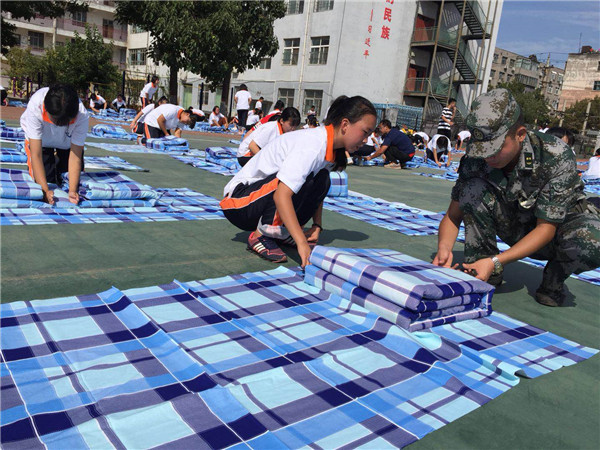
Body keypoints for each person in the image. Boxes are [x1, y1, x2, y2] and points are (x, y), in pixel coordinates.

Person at [432, 88, 600, 307]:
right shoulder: (477, 158)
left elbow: (546, 228)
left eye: (496, 148)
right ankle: (482, 267)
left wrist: (496, 261)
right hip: (513, 224)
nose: (488, 156)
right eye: (482, 149)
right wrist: (444, 249)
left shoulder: (554, 155)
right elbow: (453, 215)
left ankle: (553, 280)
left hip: (553, 233)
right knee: (472, 189)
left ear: (520, 134)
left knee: (593, 239)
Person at [220, 95, 377, 266]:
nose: (366, 140)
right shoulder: (313, 145)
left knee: (322, 179)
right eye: (365, 132)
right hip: (239, 202)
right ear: (345, 125)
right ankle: (261, 235)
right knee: (294, 181)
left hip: (259, 199)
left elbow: (318, 191)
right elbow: (281, 195)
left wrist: (317, 225)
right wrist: (302, 243)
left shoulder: (330, 148)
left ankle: (281, 232)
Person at [20, 84, 89, 205]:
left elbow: (75, 156)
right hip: (42, 142)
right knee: (46, 181)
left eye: (66, 122)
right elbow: (36, 155)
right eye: (55, 120)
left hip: (67, 143)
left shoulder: (82, 115)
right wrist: (45, 190)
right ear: (46, 109)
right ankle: (53, 162)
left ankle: (58, 160)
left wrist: (72, 191)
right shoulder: (36, 105)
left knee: (69, 180)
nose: (58, 125)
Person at [236, 107, 301, 167]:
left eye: (295, 126)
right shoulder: (271, 128)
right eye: (291, 125)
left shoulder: (283, 131)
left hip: (254, 153)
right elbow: (252, 146)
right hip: (245, 155)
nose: (293, 128)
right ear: (282, 121)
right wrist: (266, 162)